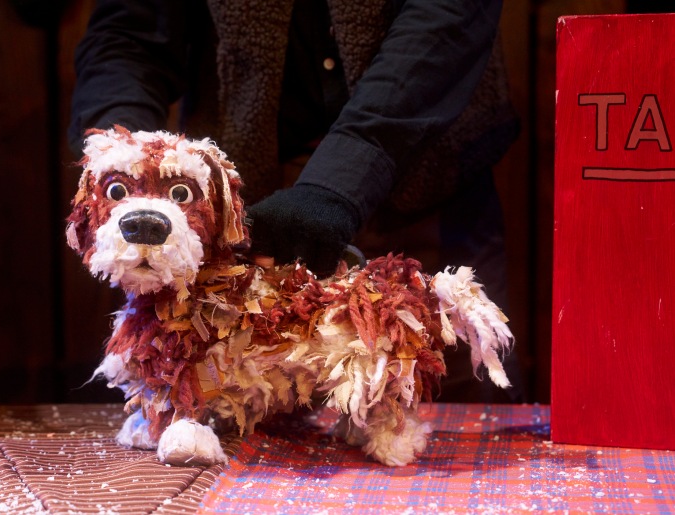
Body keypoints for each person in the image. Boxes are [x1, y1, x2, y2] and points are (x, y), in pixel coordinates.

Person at [68, 0, 525, 403]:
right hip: (247, 225)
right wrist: (124, 163)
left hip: (424, 191)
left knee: (437, 415)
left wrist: (339, 181)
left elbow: (446, 23)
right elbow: (129, 33)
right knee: (220, 432)